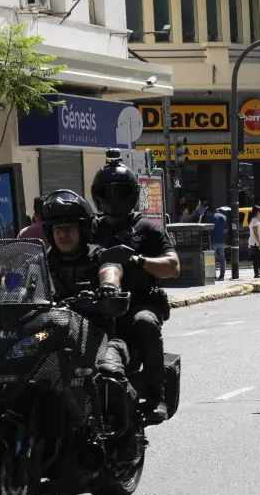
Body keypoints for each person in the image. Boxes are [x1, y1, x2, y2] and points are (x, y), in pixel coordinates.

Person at [40, 190, 138, 450]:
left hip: (98, 339)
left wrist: (109, 286)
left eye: (69, 228)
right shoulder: (40, 263)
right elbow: (18, 286)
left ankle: (126, 438)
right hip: (50, 341)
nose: (62, 234)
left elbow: (111, 270)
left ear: (83, 230)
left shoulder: (99, 256)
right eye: (57, 228)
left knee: (109, 373)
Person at [89, 156, 181, 426]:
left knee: (146, 324)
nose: (113, 198)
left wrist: (139, 260)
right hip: (97, 302)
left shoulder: (149, 230)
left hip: (138, 302)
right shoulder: (89, 230)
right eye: (108, 192)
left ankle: (156, 396)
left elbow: (173, 266)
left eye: (120, 192)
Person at [211, 205, 230, 280]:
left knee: (213, 259)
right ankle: (222, 276)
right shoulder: (224, 217)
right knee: (222, 258)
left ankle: (214, 275)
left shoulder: (210, 217)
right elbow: (225, 230)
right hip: (221, 240)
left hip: (213, 240)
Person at [247, 206, 260, 278]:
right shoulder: (254, 221)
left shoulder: (257, 220)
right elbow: (255, 233)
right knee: (256, 258)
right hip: (255, 242)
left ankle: (258, 272)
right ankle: (256, 273)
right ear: (257, 213)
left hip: (259, 241)